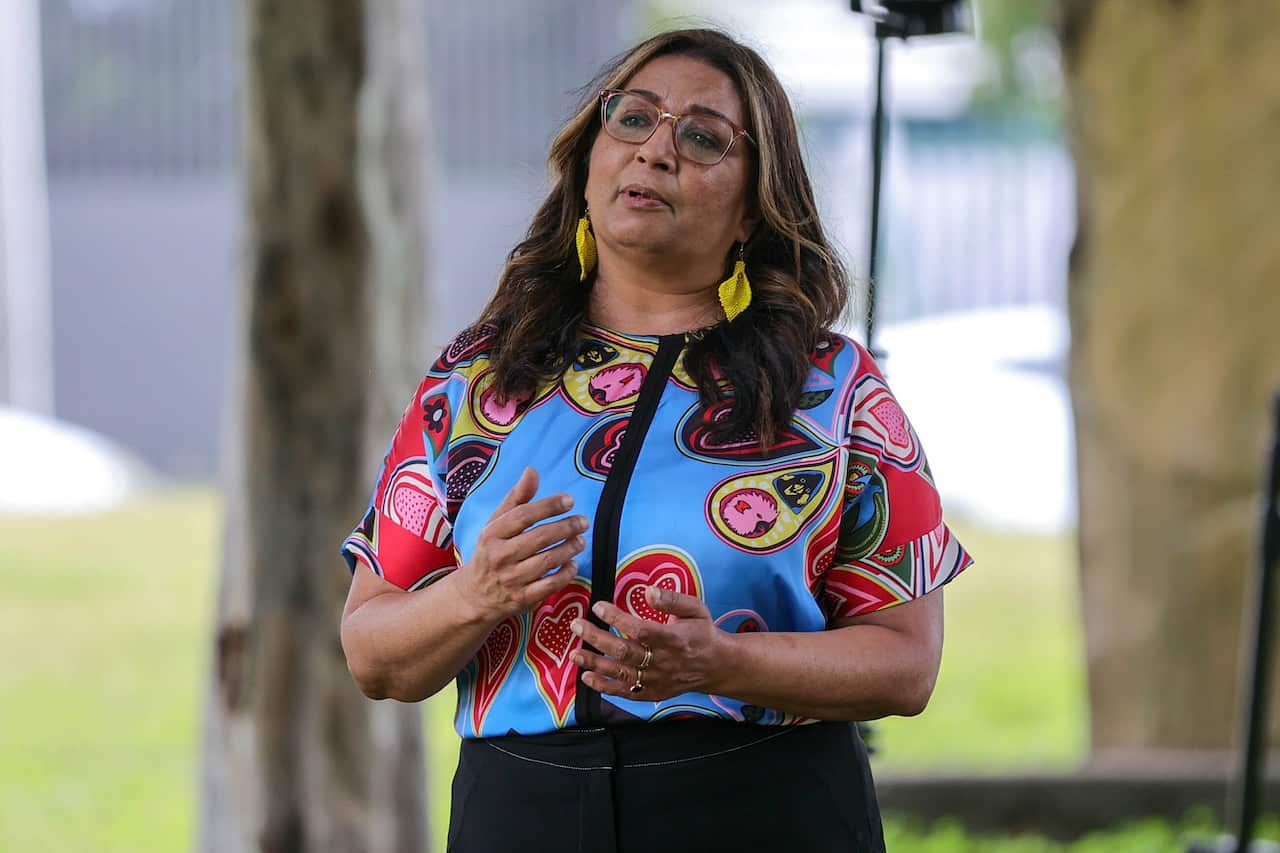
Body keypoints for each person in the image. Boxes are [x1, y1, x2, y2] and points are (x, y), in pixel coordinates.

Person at [339, 27, 973, 853]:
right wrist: (474, 594)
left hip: (762, 810)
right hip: (522, 816)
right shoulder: (474, 381)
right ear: (589, 161)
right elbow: (372, 652)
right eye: (632, 119)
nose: (656, 151)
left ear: (753, 207)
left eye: (703, 138)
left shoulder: (834, 390)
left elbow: (908, 662)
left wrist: (722, 662)